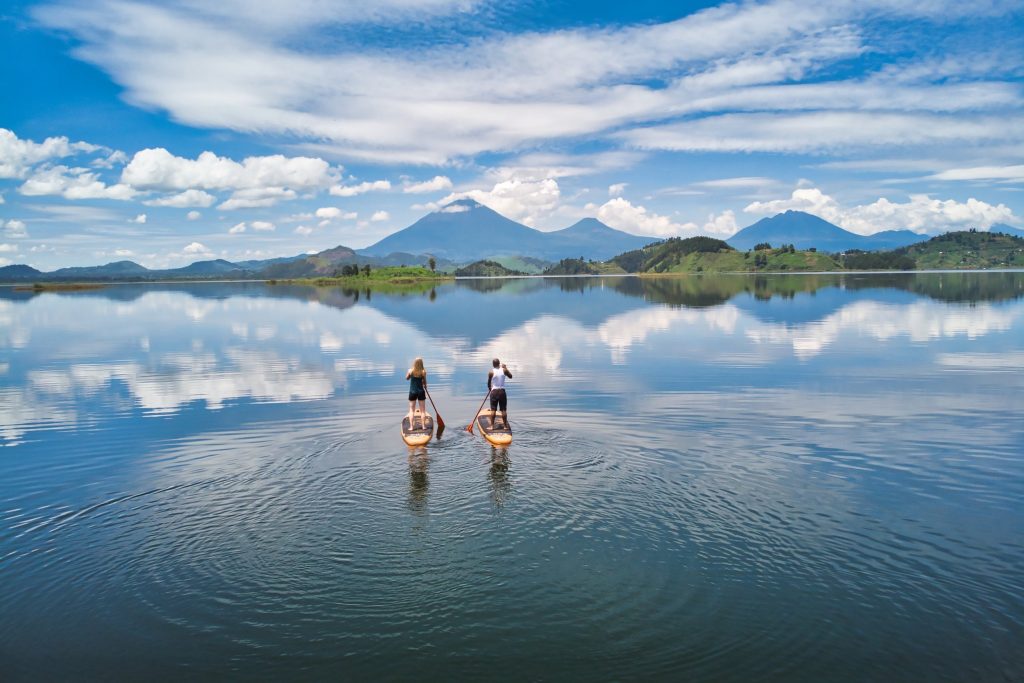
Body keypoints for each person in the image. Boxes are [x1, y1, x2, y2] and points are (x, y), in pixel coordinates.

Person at [487, 358, 512, 429]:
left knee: (493, 410)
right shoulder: (504, 370)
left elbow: (488, 383)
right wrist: (506, 368)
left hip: (494, 392)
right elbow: (510, 376)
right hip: (502, 392)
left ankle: (491, 426)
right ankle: (505, 426)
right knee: (503, 410)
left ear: (493, 364)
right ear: (499, 363)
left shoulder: (491, 372)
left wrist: (490, 389)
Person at [405, 357, 428, 426]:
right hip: (421, 392)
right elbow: (424, 383)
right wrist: (425, 386)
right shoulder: (423, 372)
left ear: (414, 363)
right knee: (423, 411)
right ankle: (423, 426)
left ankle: (411, 427)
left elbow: (407, 378)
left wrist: (409, 375)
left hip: (412, 392)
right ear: (421, 363)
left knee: (411, 410)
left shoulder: (410, 371)